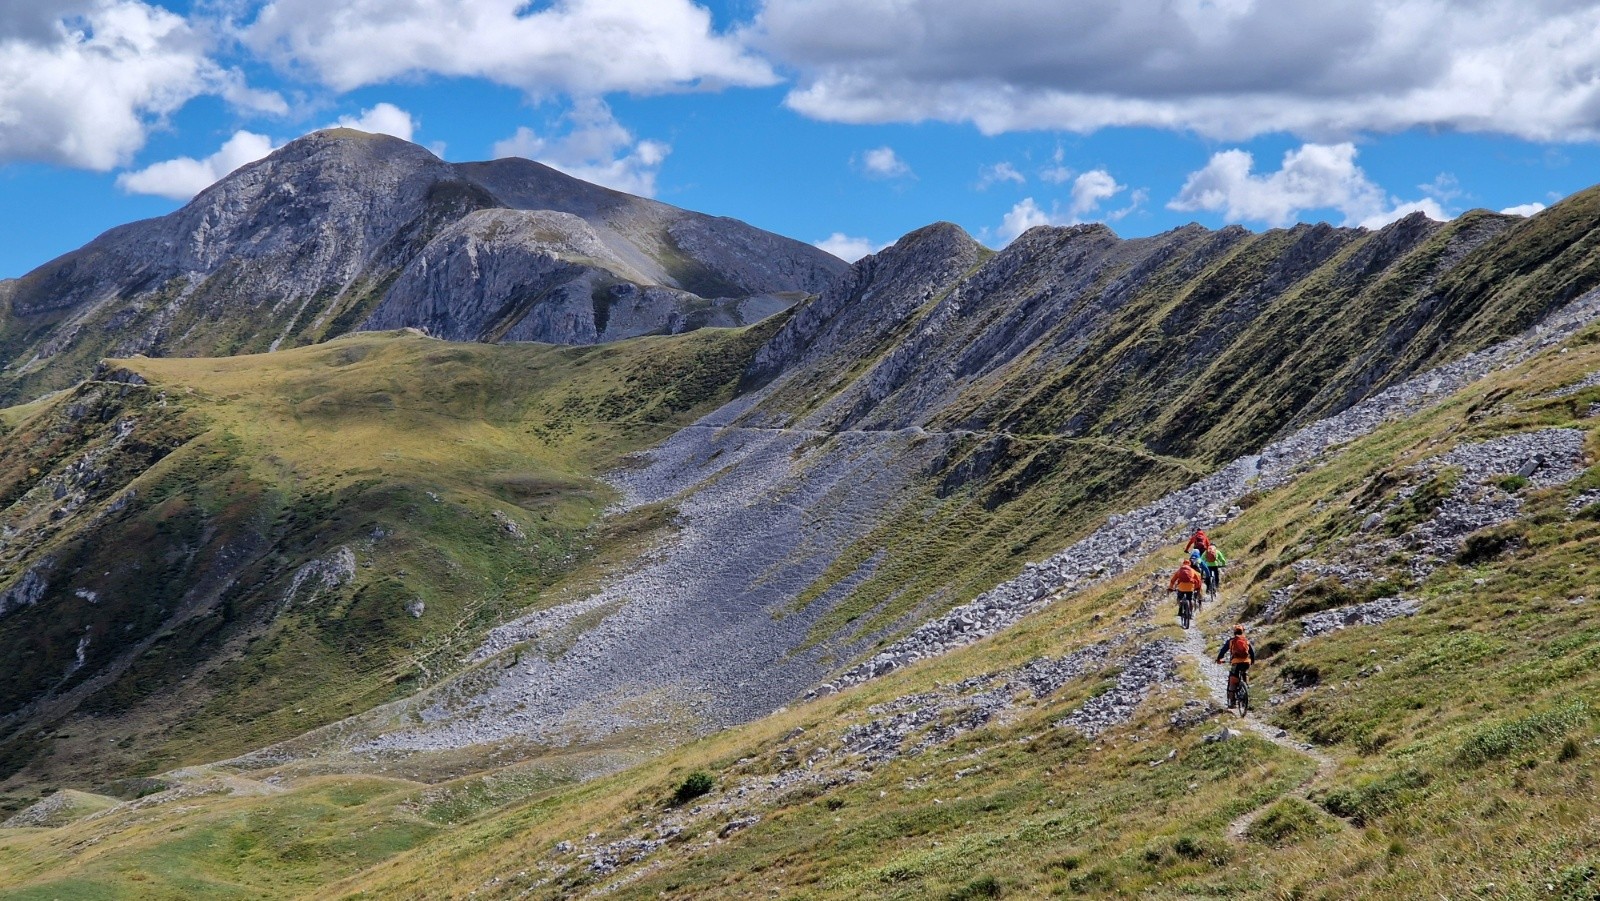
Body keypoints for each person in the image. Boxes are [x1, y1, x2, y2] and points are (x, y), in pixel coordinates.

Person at [1216, 624, 1256, 709]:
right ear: (1242, 631)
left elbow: (1223, 651)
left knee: (1233, 679)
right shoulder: (1246, 640)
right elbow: (1252, 653)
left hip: (1236, 663)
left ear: (1234, 632)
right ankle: (1246, 689)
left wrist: (1219, 659)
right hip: (1246, 663)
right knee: (1244, 673)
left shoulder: (1231, 641)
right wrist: (1252, 661)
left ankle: (1232, 702)